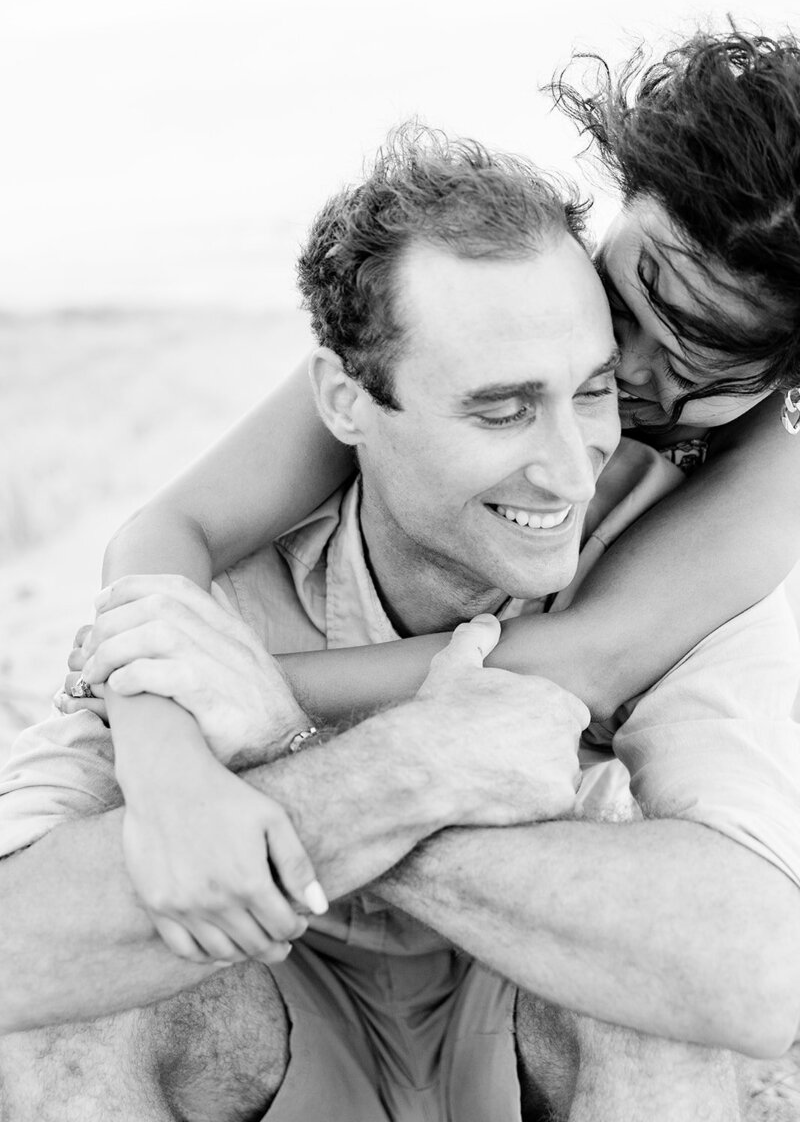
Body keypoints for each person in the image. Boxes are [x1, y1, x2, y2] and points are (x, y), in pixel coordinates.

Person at [1, 127, 800, 1122]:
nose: (588, 439)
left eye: (593, 388)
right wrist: (171, 753)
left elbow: (756, 974)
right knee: (67, 1018)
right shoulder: (253, 529)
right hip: (285, 1013)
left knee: (662, 995)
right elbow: (14, 947)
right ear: (347, 400)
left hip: (516, 1010)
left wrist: (282, 733)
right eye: (504, 407)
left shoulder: (713, 538)